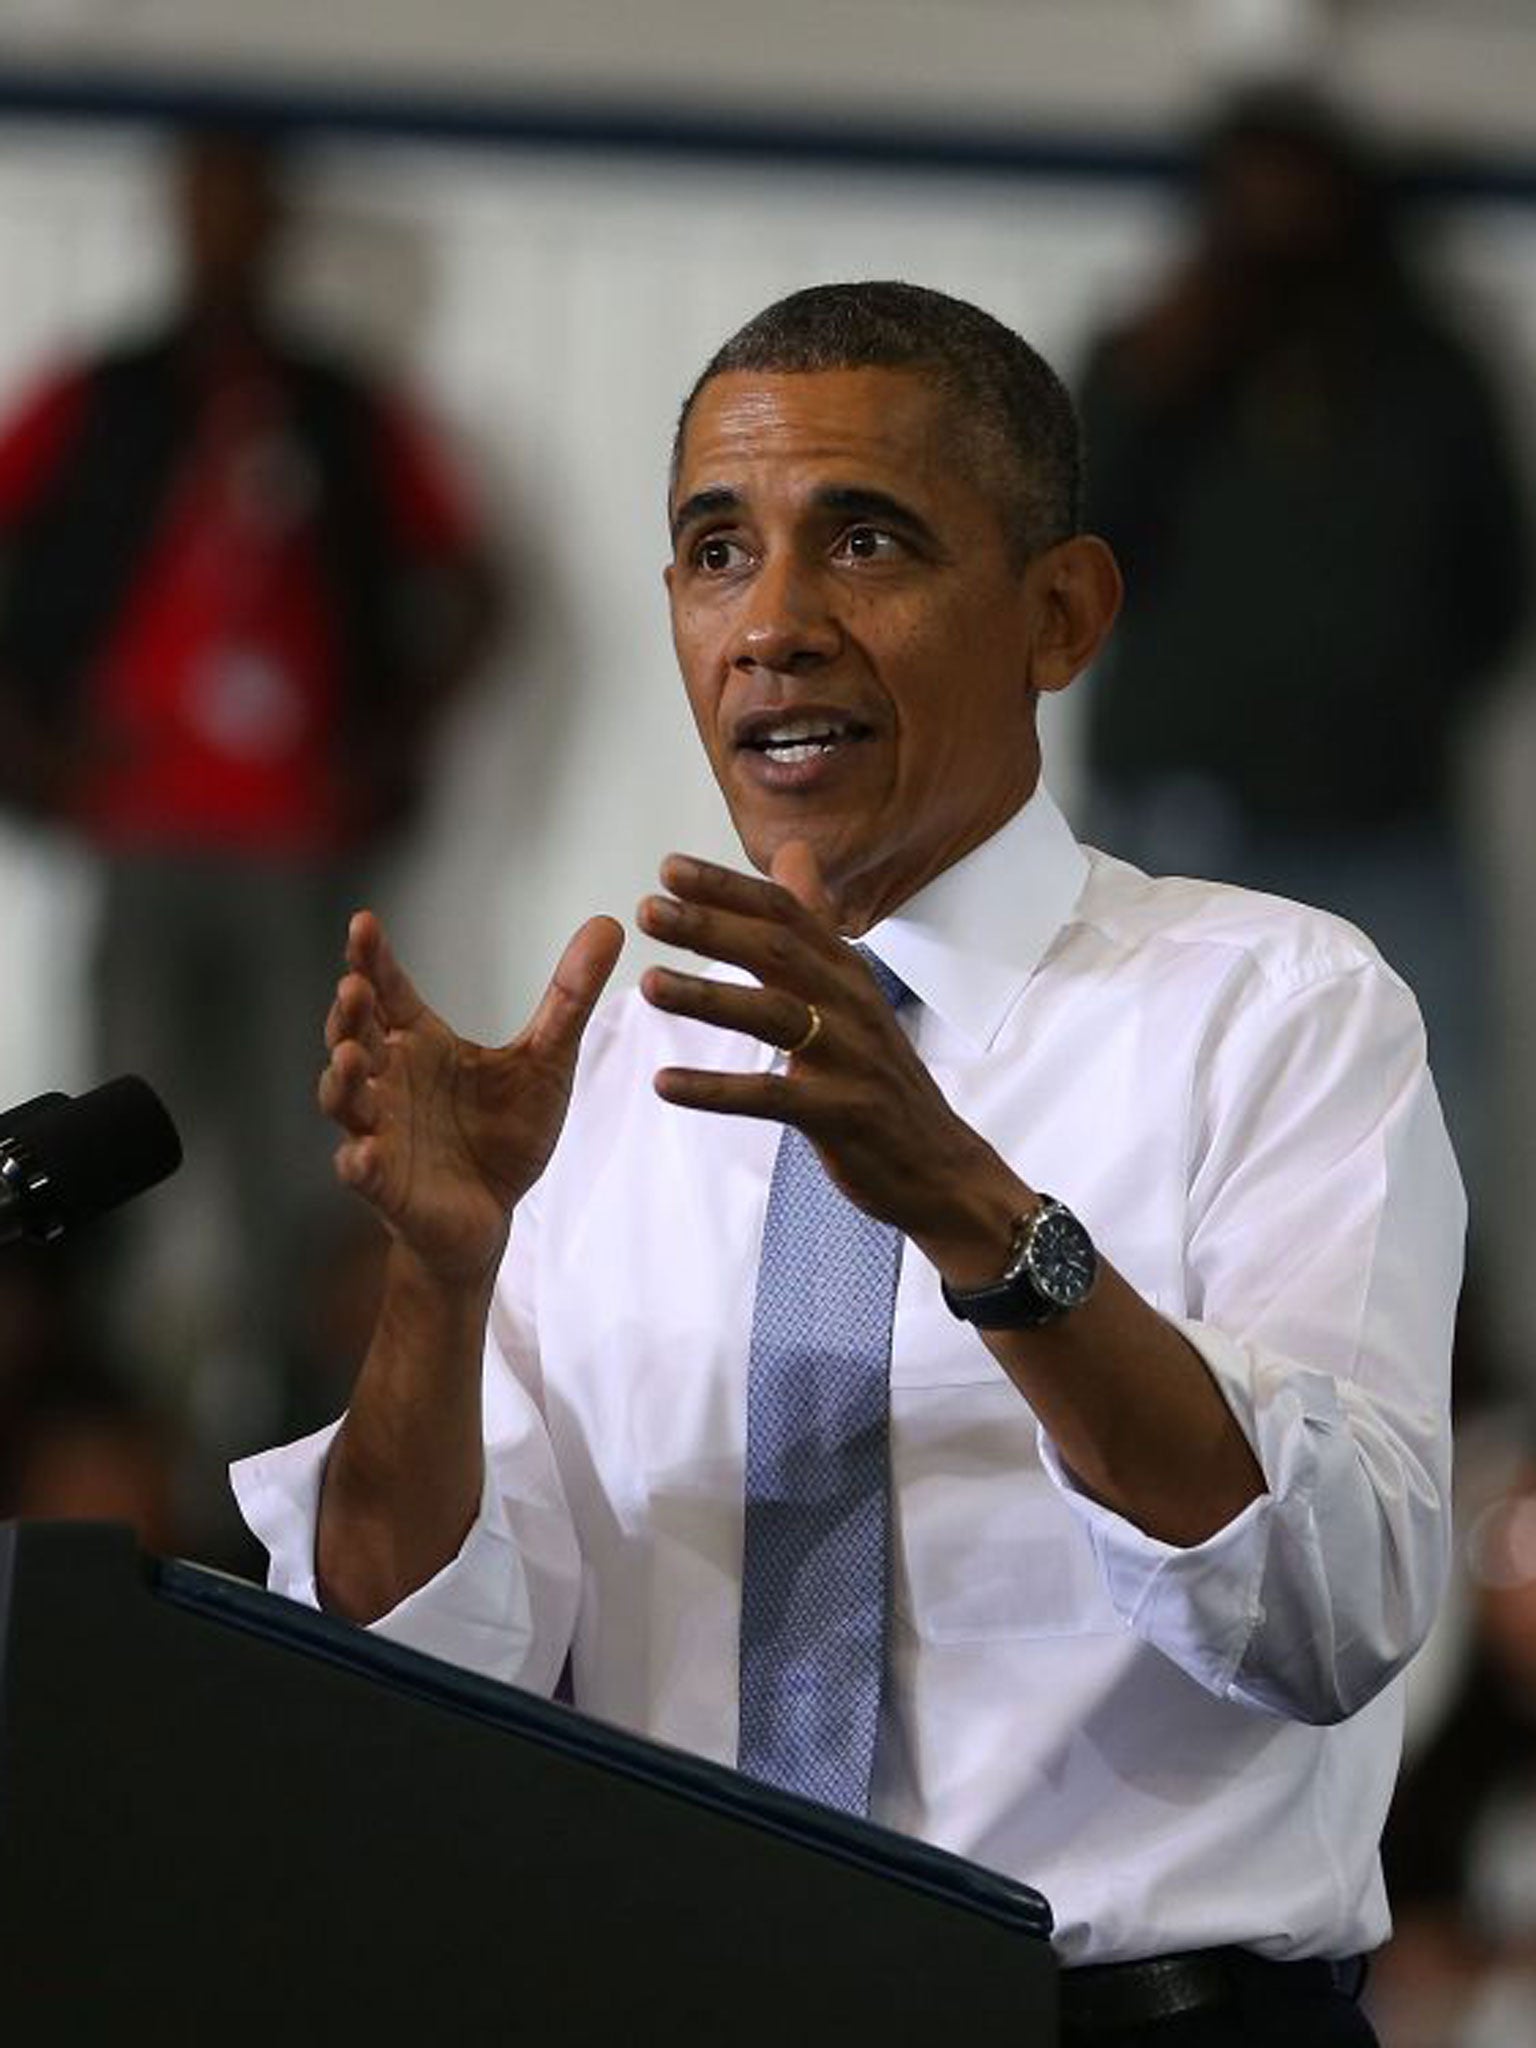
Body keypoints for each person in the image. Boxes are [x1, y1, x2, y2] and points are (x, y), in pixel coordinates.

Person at [233, 282, 1459, 2045]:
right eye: (716, 551)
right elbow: (409, 1684)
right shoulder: (596, 1075)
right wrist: (440, 1283)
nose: (775, 625)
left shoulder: (1275, 1009)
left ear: (1060, 611)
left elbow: (1331, 1606)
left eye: (865, 541)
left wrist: (966, 1201)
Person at [0, 128, 504, 1470]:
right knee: (114, 1155)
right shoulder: (109, 393)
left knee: (303, 1166)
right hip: (144, 830)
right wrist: (33, 747)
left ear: (275, 225)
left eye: (245, 209)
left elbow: (475, 586)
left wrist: (388, 744)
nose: (223, 233)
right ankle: (100, 1462)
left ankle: (286, 1473)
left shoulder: (337, 406)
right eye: (200, 208)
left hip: (291, 844)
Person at [1077, 86, 1527, 1210]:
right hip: (1186, 808)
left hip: (1386, 814)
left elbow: (1497, 586)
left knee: (1421, 1104)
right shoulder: (1154, 356)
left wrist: (1391, 705)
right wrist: (1161, 374)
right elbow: (1073, 551)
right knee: (1154, 1101)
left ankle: (1447, 1356)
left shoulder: (1426, 371)